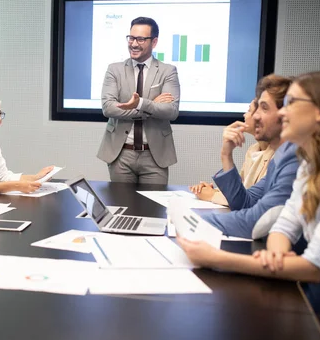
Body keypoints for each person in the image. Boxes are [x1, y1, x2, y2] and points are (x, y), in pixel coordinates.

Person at [177, 71, 320, 339]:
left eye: (292, 102)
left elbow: (315, 267)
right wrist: (276, 252)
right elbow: (284, 225)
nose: (284, 113)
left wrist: (217, 259)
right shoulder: (310, 164)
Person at [198, 74, 298, 238]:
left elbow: (255, 221)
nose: (255, 116)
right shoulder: (281, 158)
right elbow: (245, 203)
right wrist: (226, 154)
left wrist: (195, 221)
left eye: (264, 108)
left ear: (287, 115)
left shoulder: (294, 159)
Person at [97, 16, 180, 185]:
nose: (134, 44)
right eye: (131, 38)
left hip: (155, 155)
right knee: (121, 206)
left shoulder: (168, 71)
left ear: (154, 42)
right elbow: (109, 108)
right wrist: (151, 105)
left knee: (154, 210)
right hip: (121, 155)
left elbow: (171, 111)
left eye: (141, 39)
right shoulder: (114, 70)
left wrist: (140, 103)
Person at [192, 98, 275, 206]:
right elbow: (239, 188)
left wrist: (212, 195)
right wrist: (214, 191)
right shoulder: (253, 149)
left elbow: (245, 200)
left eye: (249, 110)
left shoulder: (277, 157)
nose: (245, 115)